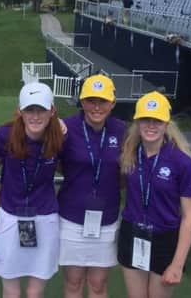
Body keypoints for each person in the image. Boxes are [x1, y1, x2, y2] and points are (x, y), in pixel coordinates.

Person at [117, 91, 191, 298]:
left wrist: (178, 264)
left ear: (166, 123)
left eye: (157, 120)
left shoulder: (182, 162)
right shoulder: (129, 153)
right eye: (145, 119)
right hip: (133, 234)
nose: (151, 125)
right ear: (137, 122)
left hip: (165, 240)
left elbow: (190, 217)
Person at [0, 82, 64, 298]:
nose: (35, 116)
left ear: (52, 111)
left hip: (45, 219)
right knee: (11, 290)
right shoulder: (3, 136)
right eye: (29, 110)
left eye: (41, 109)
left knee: (35, 292)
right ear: (19, 112)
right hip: (11, 218)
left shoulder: (61, 138)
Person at [57, 75, 126, 298]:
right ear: (82, 101)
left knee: (98, 284)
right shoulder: (65, 127)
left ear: (113, 103)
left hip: (106, 218)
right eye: (91, 100)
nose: (97, 107)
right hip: (71, 217)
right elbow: (53, 162)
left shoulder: (123, 131)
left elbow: (127, 170)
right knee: (73, 282)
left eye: (103, 101)